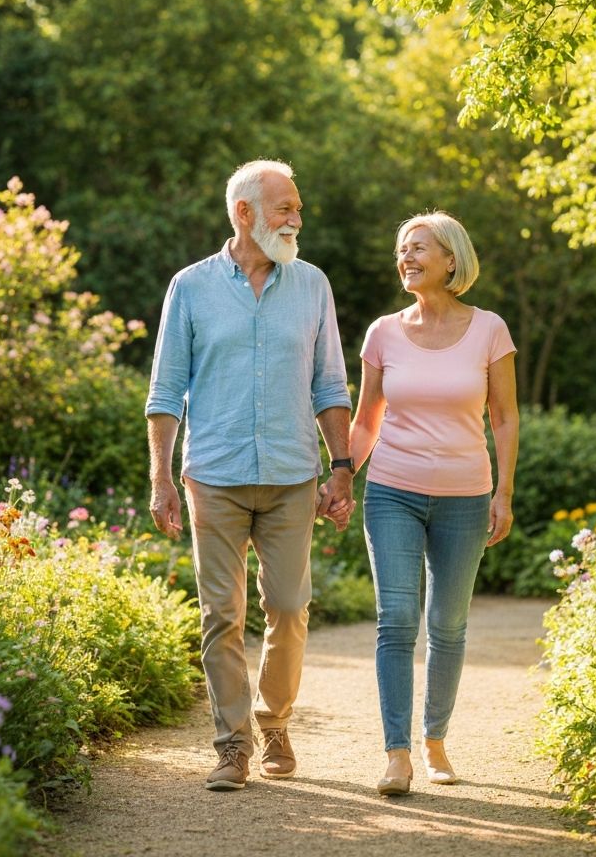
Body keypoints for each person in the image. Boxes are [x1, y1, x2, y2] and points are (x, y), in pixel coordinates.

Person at [146, 159, 355, 792]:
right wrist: (161, 477)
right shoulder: (190, 286)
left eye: (297, 208)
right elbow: (165, 390)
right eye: (285, 208)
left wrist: (341, 467)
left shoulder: (312, 284)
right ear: (245, 213)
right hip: (214, 473)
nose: (297, 219)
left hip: (293, 474)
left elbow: (330, 382)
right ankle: (233, 743)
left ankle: (275, 719)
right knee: (222, 615)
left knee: (289, 609)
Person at [348, 211, 519, 795]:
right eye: (401, 249)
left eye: (419, 248)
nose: (407, 257)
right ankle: (396, 753)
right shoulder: (382, 333)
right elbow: (368, 417)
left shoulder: (490, 329)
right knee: (396, 620)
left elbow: (504, 416)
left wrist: (504, 492)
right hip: (392, 490)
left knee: (447, 624)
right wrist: (342, 474)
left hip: (466, 498)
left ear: (452, 259)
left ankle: (435, 741)